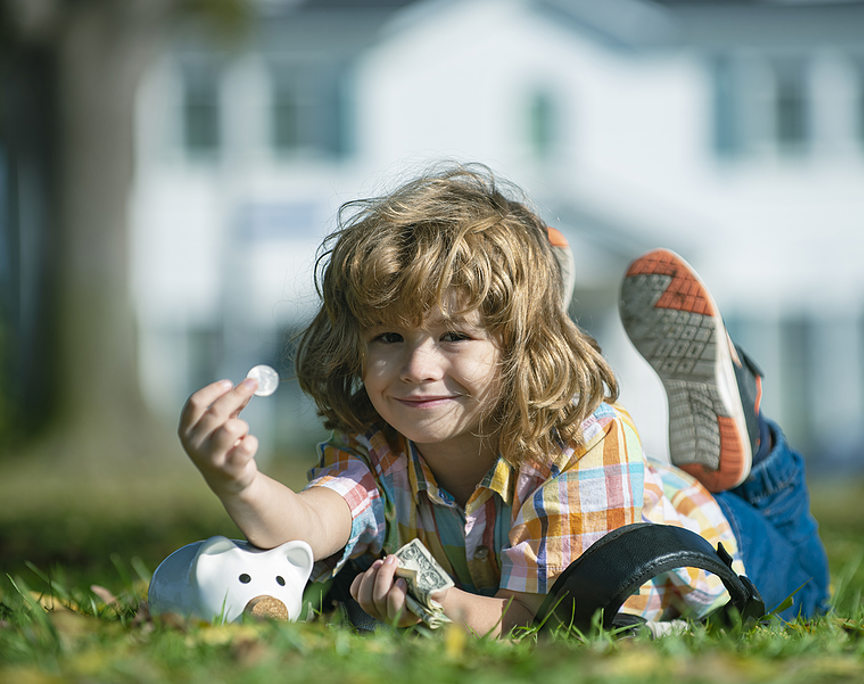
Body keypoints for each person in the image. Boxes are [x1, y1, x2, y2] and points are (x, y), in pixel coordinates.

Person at [178, 163, 829, 636]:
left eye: (454, 335)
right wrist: (236, 480)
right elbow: (308, 526)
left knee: (804, 589)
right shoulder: (377, 452)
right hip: (586, 521)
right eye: (387, 336)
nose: (415, 368)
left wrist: (426, 602)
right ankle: (524, 296)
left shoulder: (583, 442)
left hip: (718, 551)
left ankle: (752, 442)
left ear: (520, 349)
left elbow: (541, 623)